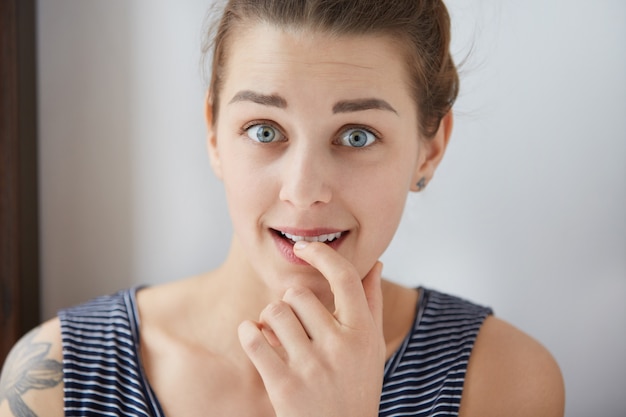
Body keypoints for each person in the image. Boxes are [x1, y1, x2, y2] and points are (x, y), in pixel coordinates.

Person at [0, 1, 565, 416]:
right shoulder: (58, 378)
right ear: (215, 135)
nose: (302, 189)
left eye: (358, 136)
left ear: (430, 148)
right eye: (265, 129)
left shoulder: (499, 383)